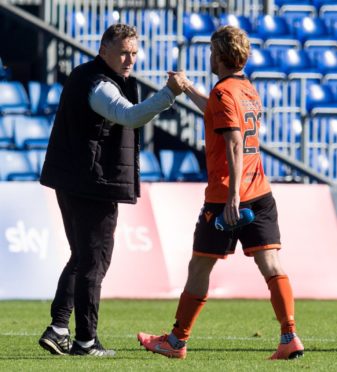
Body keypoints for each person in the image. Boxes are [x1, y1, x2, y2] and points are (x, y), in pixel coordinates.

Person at [137, 25, 304, 360]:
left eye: (213, 51)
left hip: (227, 196)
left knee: (199, 267)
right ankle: (289, 336)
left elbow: (233, 142)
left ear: (222, 55)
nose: (210, 56)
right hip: (260, 192)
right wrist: (186, 88)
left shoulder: (223, 92)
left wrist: (232, 198)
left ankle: (176, 341)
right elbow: (217, 116)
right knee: (271, 262)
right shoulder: (245, 90)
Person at [38, 23, 183, 357]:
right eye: (123, 52)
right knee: (95, 261)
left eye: (133, 52)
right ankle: (86, 341)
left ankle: (59, 327)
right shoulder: (101, 84)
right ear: (103, 50)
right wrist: (167, 95)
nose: (129, 59)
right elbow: (128, 116)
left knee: (81, 257)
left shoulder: (85, 74)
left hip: (72, 179)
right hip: (92, 183)